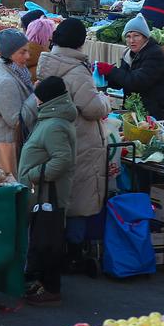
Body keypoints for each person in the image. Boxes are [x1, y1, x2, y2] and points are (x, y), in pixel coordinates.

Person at [35, 19, 109, 273]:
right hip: (80, 138)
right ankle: (74, 253)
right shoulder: (77, 71)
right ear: (80, 42)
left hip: (55, 136)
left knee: (60, 193)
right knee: (79, 197)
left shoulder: (49, 63)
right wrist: (105, 100)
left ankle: (61, 248)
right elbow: (93, 108)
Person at [18, 75, 79, 306]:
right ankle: (43, 283)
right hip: (43, 191)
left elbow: (62, 159)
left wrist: (34, 174)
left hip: (47, 192)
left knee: (47, 240)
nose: (35, 100)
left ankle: (51, 288)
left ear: (47, 99)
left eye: (38, 96)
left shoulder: (54, 125)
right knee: (42, 237)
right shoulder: (52, 119)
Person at [0, 29, 39, 174]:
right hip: (0, 151)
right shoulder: (5, 81)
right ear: (10, 54)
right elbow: (16, 121)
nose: (28, 56)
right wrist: (36, 96)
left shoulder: (13, 72)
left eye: (27, 51)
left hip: (5, 145)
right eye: (22, 52)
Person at [96, 15, 164, 120]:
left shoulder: (155, 54)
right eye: (128, 36)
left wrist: (111, 70)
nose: (131, 40)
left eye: (136, 36)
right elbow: (122, 81)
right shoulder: (129, 54)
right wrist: (104, 76)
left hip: (160, 113)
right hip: (139, 111)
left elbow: (137, 81)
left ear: (145, 37)